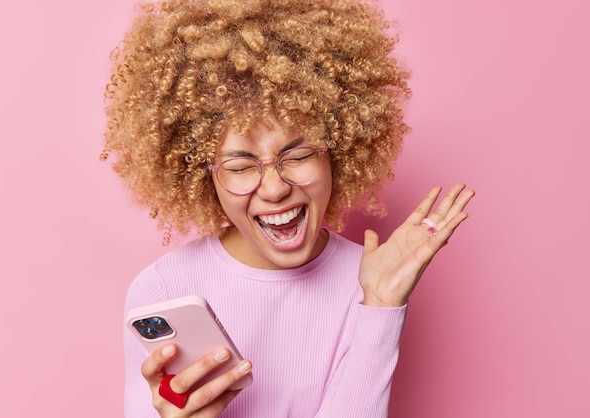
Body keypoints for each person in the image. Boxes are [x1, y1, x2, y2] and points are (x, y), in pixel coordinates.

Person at [101, 0, 475, 417]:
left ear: (338, 149)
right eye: (241, 166)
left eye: (297, 156)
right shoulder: (162, 291)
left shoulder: (371, 279)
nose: (275, 188)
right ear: (201, 172)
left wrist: (381, 307)